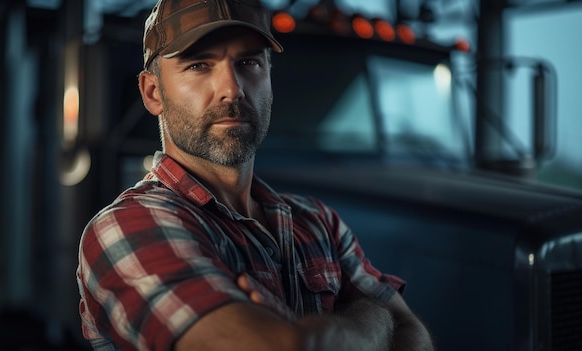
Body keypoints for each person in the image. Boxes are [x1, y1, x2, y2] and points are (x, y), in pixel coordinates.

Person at [76, 0, 434, 350]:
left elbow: (409, 328)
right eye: (199, 65)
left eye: (249, 62)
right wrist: (370, 320)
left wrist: (330, 335)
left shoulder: (318, 224)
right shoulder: (129, 227)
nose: (232, 88)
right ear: (153, 93)